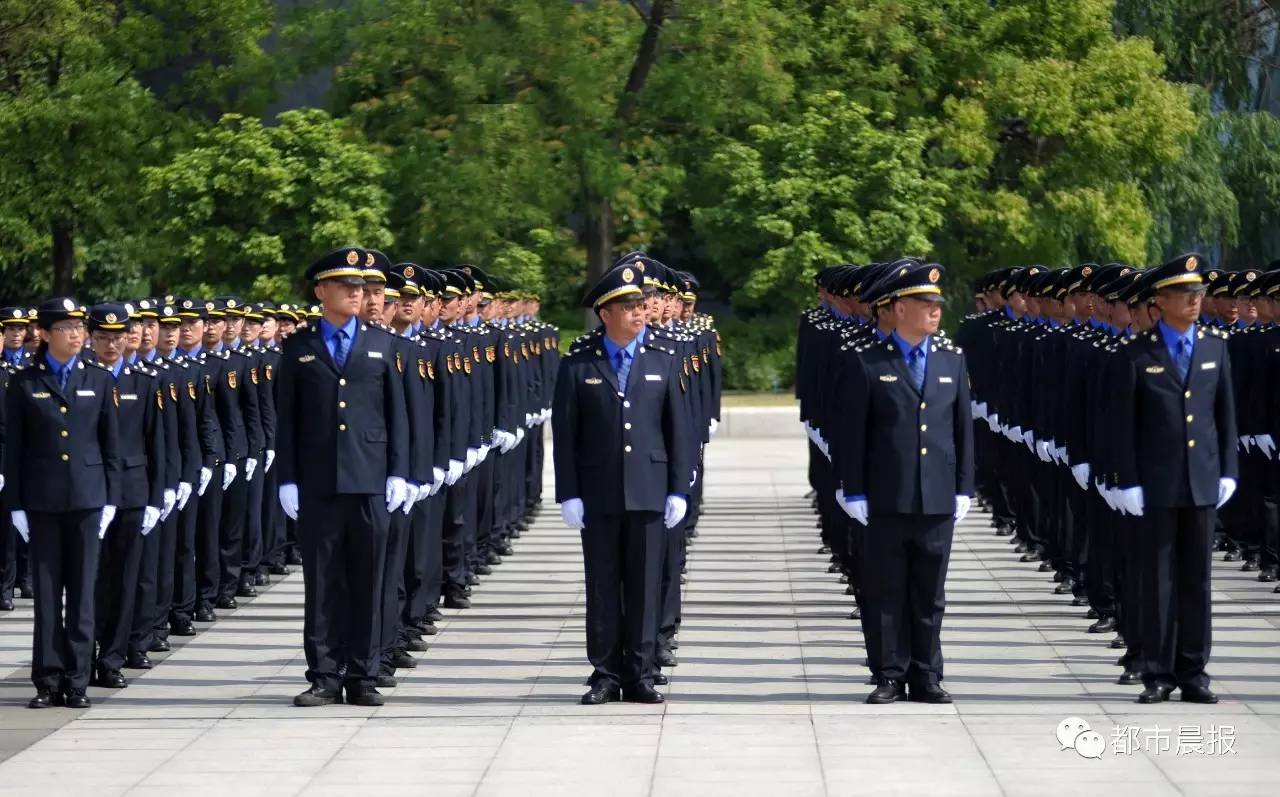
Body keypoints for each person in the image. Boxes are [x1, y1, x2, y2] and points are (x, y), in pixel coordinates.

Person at [553, 260, 694, 705]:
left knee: (645, 584)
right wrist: (569, 493)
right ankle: (605, 673)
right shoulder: (578, 364)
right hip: (599, 492)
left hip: (650, 489)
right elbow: (565, 435)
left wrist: (678, 489)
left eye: (641, 305)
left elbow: (679, 431)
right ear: (605, 313)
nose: (639, 312)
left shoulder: (663, 362)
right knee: (602, 584)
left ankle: (641, 672)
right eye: (628, 306)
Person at [275, 246, 410, 707]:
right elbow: (286, 419)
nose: (357, 294)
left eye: (361, 287)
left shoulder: (384, 344)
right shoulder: (299, 347)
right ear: (321, 291)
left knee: (368, 579)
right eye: (346, 287)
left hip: (370, 480)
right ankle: (324, 674)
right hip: (317, 481)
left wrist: (400, 472)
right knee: (322, 581)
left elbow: (400, 415)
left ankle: (364, 674)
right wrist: (287, 477)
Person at [834, 262, 973, 704]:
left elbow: (962, 430)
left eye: (936, 303)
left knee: (930, 593)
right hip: (885, 497)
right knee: (885, 590)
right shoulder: (868, 362)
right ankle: (890, 673)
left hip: (935, 497)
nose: (934, 310)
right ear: (896, 308)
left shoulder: (952, 360)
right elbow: (851, 433)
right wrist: (851, 488)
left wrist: (964, 487)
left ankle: (927, 674)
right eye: (923, 303)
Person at [1111, 253, 1237, 704]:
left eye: (1199, 294)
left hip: (1202, 481)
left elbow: (1224, 416)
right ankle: (1157, 672)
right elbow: (1122, 424)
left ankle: (1194, 671)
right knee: (1157, 580)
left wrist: (1229, 471)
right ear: (1160, 301)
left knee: (1197, 581)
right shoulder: (1136, 353)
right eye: (1185, 294)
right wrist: (1126, 480)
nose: (1195, 301)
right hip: (1156, 484)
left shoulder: (1214, 347)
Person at [6, 298, 121, 709]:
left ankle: (77, 680)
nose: (77, 335)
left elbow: (111, 446)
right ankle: (47, 680)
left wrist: (111, 498)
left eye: (79, 327)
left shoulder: (100, 379)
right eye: (66, 328)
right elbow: (14, 450)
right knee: (48, 594)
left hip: (89, 498)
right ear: (45, 334)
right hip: (42, 500)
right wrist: (16, 504)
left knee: (83, 593)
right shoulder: (23, 383)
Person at [86, 303, 165, 690]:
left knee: (124, 579)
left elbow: (157, 443)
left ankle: (112, 658)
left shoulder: (144, 380)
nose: (111, 344)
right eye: (103, 337)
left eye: (118, 337)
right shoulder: (81, 379)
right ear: (91, 338)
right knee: (87, 580)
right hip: (89, 490)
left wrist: (154, 498)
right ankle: (82, 656)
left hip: (133, 491)